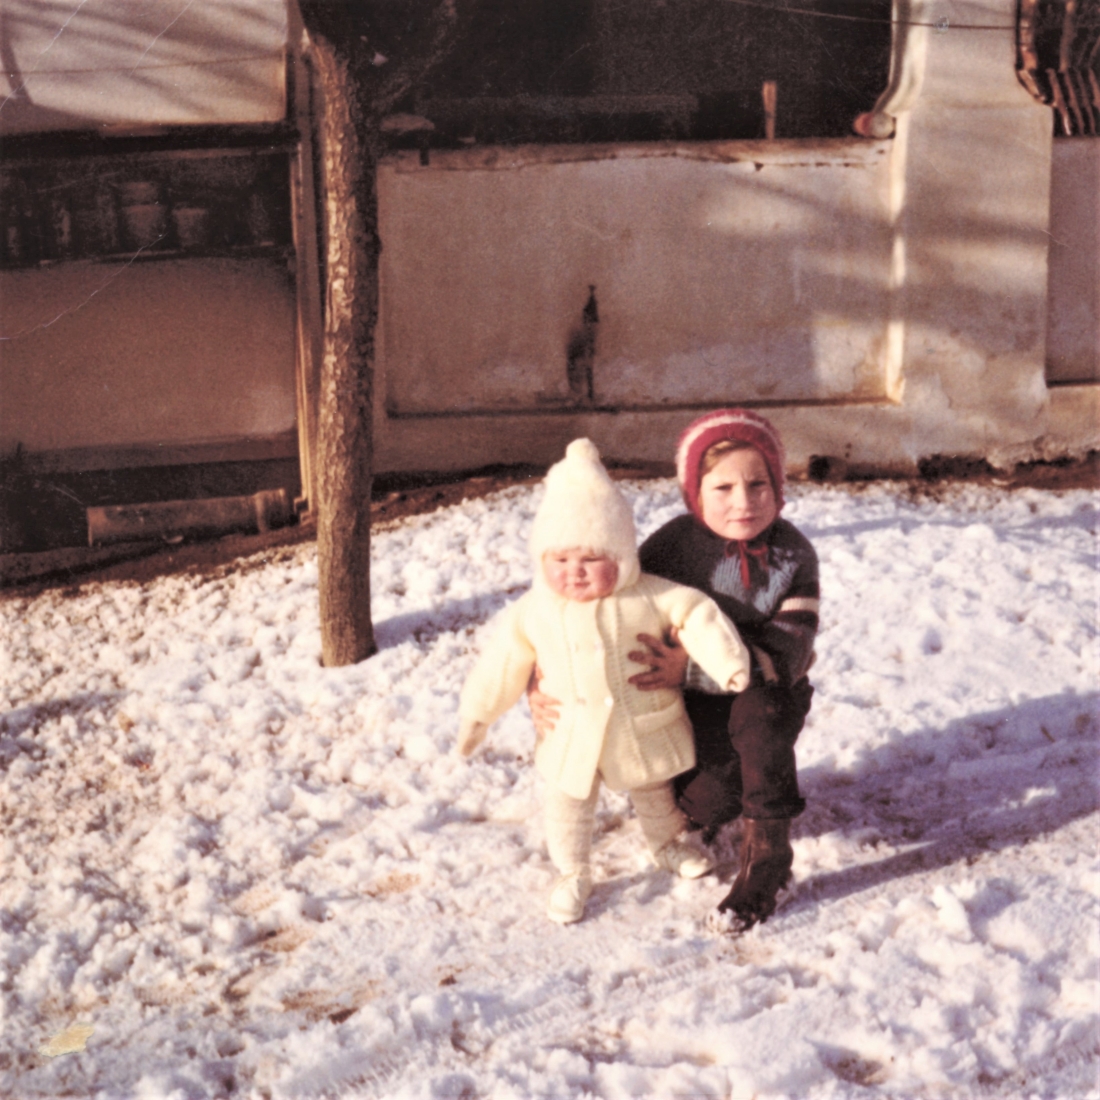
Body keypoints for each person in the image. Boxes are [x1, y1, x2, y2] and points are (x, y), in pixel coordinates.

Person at [531, 410, 819, 931]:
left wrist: (692, 671)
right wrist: (543, 679)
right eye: (723, 487)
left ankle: (768, 859)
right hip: (687, 707)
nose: (743, 501)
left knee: (762, 713)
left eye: (758, 484)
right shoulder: (670, 547)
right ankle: (712, 792)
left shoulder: (793, 556)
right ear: (694, 492)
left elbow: (790, 652)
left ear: (778, 487)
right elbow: (601, 612)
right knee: (705, 804)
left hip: (765, 690)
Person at [457, 438, 752, 925]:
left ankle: (666, 845)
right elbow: (501, 664)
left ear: (620, 557)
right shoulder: (535, 611)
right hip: (570, 733)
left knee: (655, 791)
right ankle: (572, 871)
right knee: (568, 804)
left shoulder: (649, 595)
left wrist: (726, 664)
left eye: (591, 560)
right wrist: (477, 716)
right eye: (560, 560)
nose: (574, 573)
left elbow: (698, 613)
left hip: (640, 727)